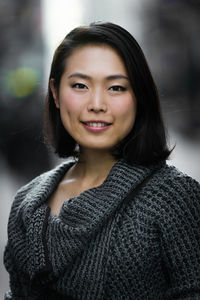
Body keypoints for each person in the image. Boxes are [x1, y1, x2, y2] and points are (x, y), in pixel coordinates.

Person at [4, 22, 200, 300]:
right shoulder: (26, 202)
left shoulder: (175, 199)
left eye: (116, 87)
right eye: (80, 85)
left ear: (139, 97)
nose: (97, 103)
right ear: (56, 93)